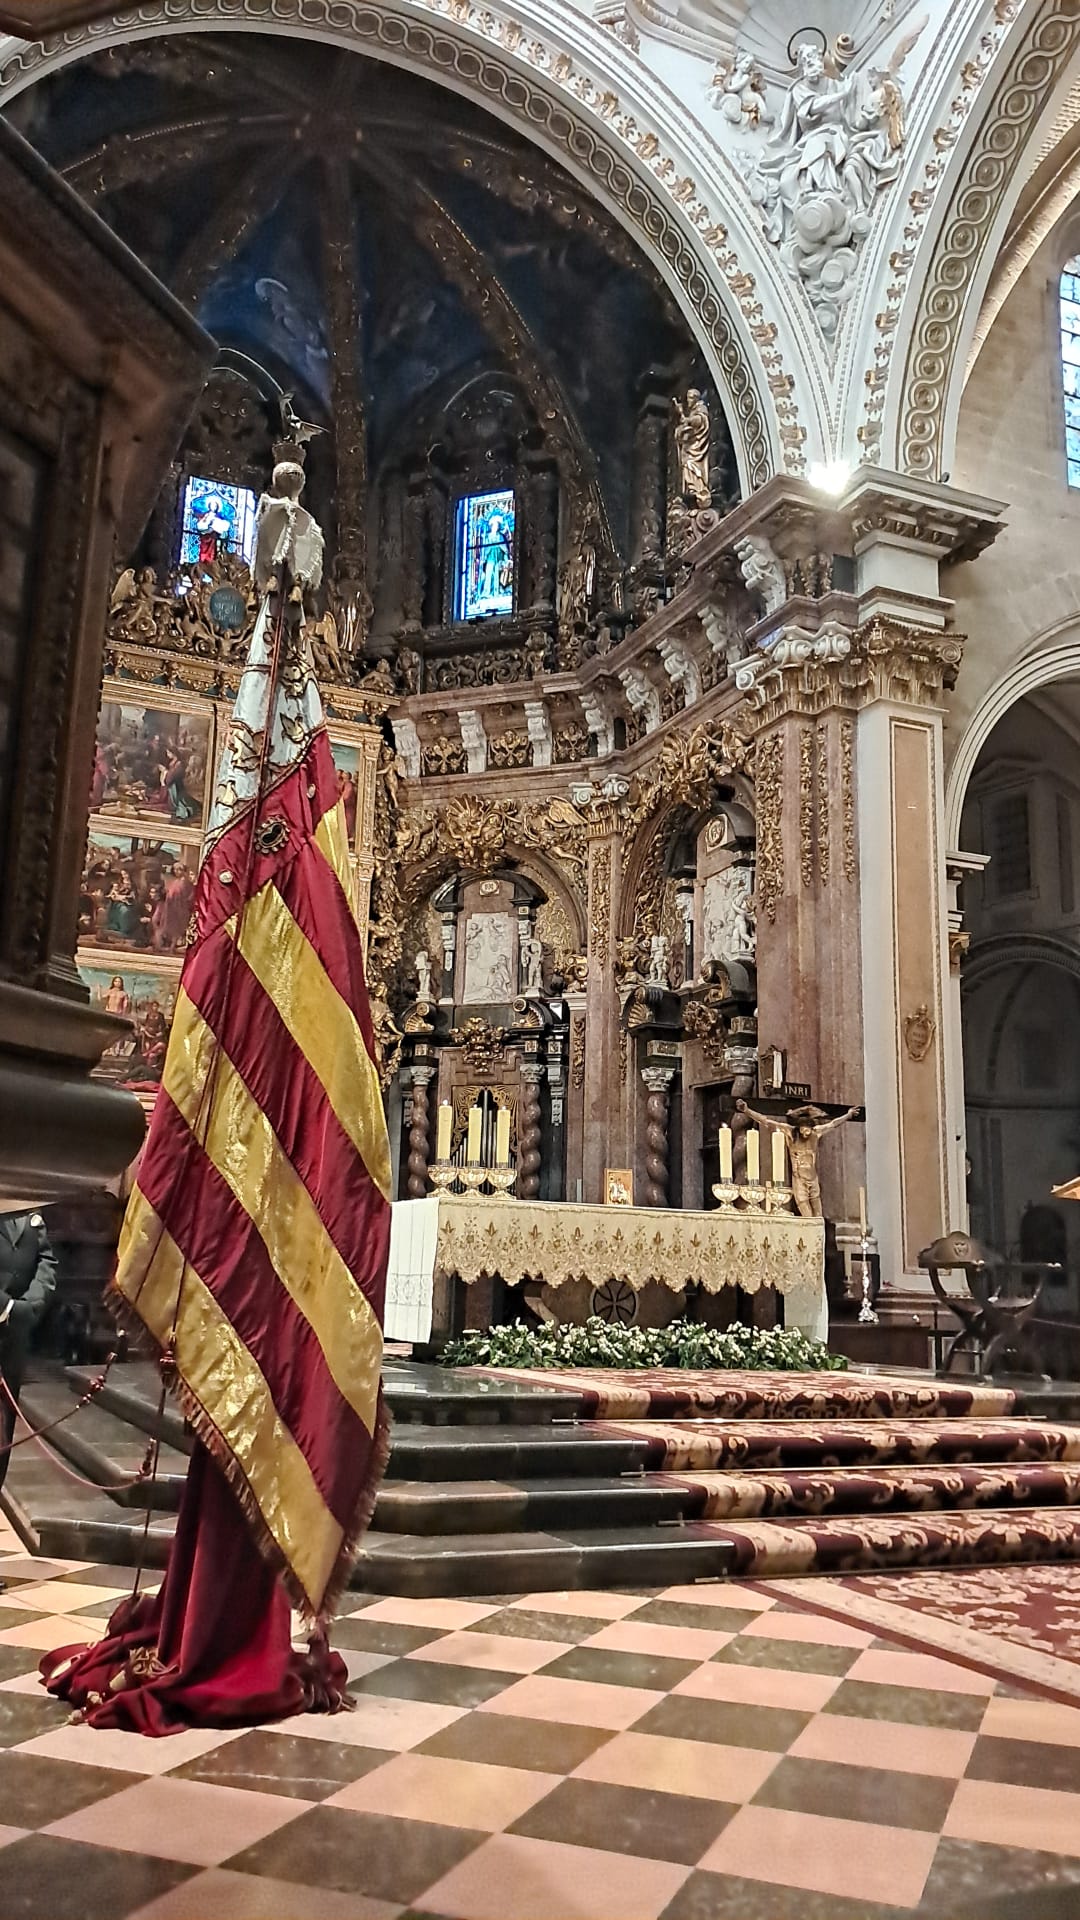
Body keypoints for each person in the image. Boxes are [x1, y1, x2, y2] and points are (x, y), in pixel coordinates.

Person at [0, 1211, 57, 1582]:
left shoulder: (27, 1207)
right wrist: (5, 1306)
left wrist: (26, 1308)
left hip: (12, 1342)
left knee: (1, 1442)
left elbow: (46, 1261)